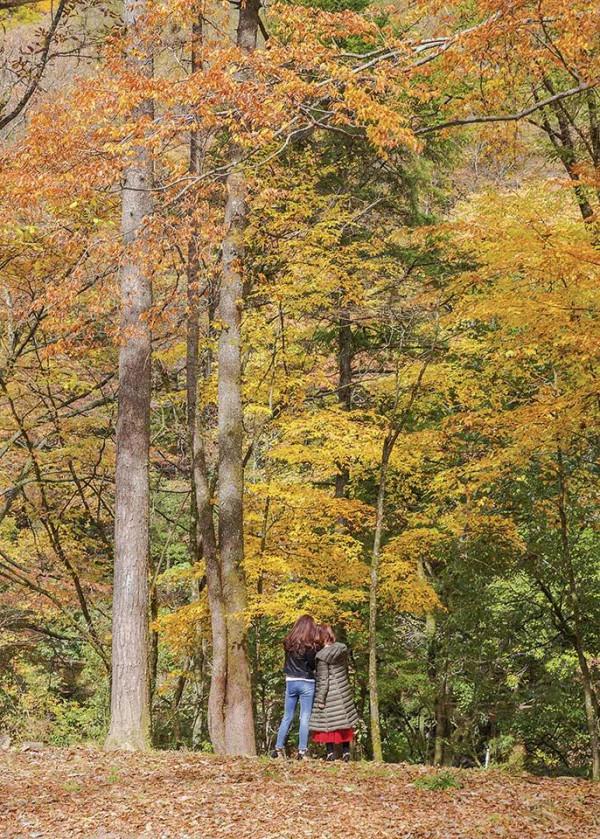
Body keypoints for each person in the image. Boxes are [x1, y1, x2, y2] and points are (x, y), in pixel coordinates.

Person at [271, 614, 321, 760]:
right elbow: (312, 665)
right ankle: (302, 751)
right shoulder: (311, 645)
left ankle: (278, 749)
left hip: (291, 681)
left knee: (287, 716)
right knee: (304, 717)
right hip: (306, 681)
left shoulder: (288, 642)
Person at [310, 624, 359, 762]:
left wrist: (320, 700)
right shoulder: (341, 649)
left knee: (328, 723)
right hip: (343, 690)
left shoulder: (321, 657)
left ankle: (330, 753)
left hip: (330, 693)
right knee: (344, 722)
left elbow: (324, 680)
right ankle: (346, 752)